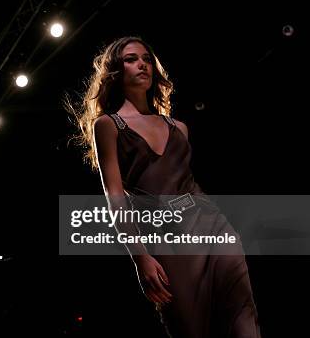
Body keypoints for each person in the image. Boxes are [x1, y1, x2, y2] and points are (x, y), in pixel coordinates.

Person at [69, 36, 261, 337]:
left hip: (212, 225)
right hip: (166, 237)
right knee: (189, 327)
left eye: (146, 58)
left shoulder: (178, 128)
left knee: (244, 318)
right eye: (131, 59)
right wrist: (140, 256)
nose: (142, 64)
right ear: (116, 71)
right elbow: (114, 196)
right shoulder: (108, 125)